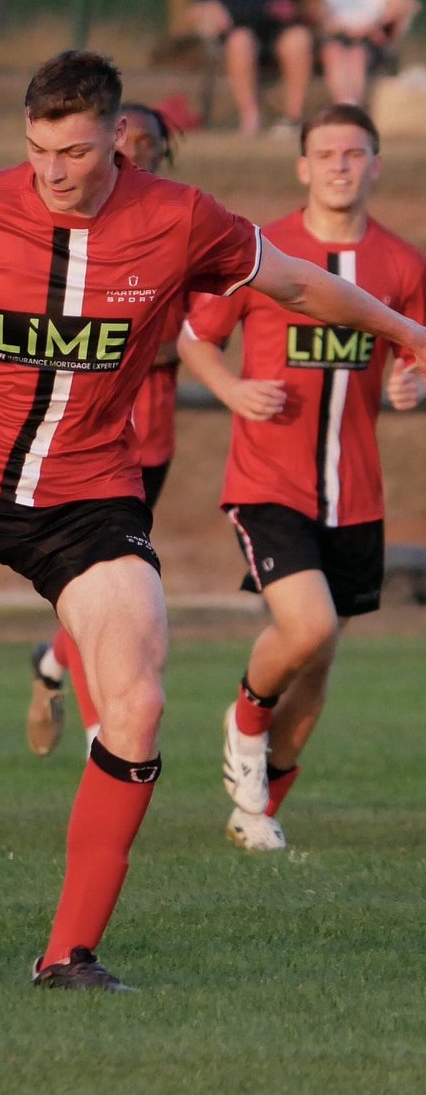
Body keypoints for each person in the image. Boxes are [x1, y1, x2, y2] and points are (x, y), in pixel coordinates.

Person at [0, 52, 426, 992]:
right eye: (37, 150)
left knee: (139, 707)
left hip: (89, 501)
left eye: (73, 150)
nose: (53, 171)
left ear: (117, 136)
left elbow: (300, 287)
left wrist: (408, 333)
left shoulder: (180, 216)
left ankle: (69, 954)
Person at [178, 103, 425, 853]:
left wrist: (412, 388)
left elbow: (415, 359)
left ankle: (256, 813)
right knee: (306, 626)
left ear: (376, 164)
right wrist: (232, 392)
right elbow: (194, 339)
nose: (341, 165)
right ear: (302, 166)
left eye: (355, 153)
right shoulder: (264, 251)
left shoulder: (403, 265)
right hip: (267, 481)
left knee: (318, 670)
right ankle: (245, 718)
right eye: (326, 153)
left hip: (355, 491)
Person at [28, 102, 184, 756]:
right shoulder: (74, 232)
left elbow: (189, 339)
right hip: (88, 442)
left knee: (115, 583)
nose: (141, 153)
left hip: (153, 438)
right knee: (98, 588)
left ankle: (49, 665)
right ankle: (102, 735)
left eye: (153, 143)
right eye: (133, 140)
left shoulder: (177, 225)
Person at [183, 0, 315, 136]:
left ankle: (293, 117)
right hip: (238, 51)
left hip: (275, 44)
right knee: (240, 39)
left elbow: (307, 4)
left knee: (298, 38)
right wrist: (206, 13)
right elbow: (191, 15)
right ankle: (250, 117)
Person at [313, 0, 421, 107]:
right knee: (332, 52)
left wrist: (378, 25)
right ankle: (344, 103)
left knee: (357, 54)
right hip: (338, 38)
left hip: (368, 43)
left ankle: (352, 106)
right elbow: (319, 15)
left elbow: (410, 5)